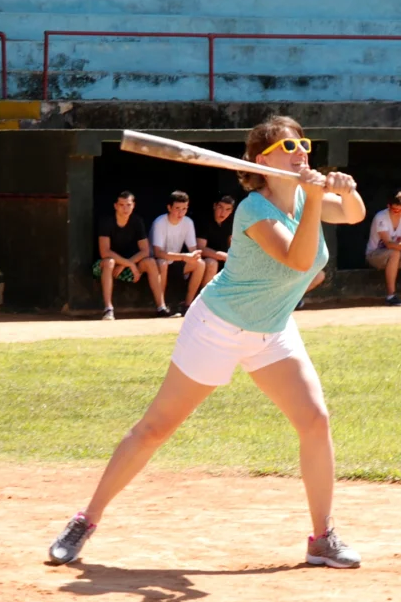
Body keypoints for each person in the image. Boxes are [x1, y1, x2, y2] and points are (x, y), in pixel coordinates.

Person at [48, 115, 367, 569]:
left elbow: (352, 213)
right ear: (263, 160)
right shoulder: (255, 210)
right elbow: (299, 261)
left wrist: (345, 189)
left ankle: (322, 537)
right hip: (218, 326)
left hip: (271, 331)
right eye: (290, 148)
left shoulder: (304, 197)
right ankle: (86, 518)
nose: (302, 154)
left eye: (304, 145)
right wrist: (317, 197)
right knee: (155, 428)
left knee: (315, 420)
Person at [93, 191, 171, 320]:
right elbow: (105, 252)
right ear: (115, 206)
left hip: (128, 266)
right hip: (106, 266)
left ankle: (161, 307)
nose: (125, 208)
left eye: (128, 205)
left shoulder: (137, 221)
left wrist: (127, 264)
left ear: (133, 205)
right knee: (109, 262)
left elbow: (145, 251)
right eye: (122, 205)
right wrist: (129, 264)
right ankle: (108, 309)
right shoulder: (106, 221)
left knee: (150, 261)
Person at [150, 191, 206, 315]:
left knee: (200, 263)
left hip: (177, 262)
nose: (181, 213)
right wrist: (184, 257)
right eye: (177, 208)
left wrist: (193, 256)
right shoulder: (160, 222)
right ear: (169, 207)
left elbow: (193, 250)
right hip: (158, 263)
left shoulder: (188, 222)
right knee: (162, 263)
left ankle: (188, 305)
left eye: (184, 209)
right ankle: (162, 307)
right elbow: (158, 253)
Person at [196, 195, 235, 289]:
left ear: (231, 211)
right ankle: (204, 299)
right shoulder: (204, 221)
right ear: (214, 206)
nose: (223, 212)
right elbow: (200, 248)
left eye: (227, 209)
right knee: (212, 263)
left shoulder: (230, 222)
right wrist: (222, 256)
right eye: (220, 207)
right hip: (205, 260)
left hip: (224, 259)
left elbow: (231, 243)